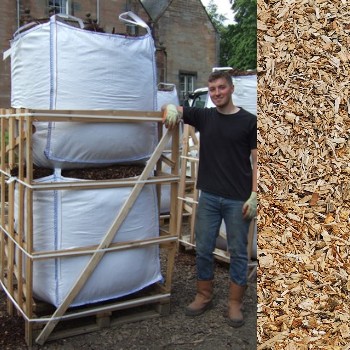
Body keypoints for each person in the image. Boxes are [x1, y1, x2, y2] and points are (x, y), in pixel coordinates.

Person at [162, 70, 257, 327]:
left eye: (221, 88)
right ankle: (204, 295)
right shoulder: (206, 116)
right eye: (213, 89)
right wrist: (170, 107)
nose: (216, 94)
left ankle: (235, 303)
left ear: (231, 89)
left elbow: (258, 161)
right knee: (203, 248)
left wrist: (255, 194)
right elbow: (174, 107)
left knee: (238, 252)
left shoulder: (249, 121)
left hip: (238, 199)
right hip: (209, 197)